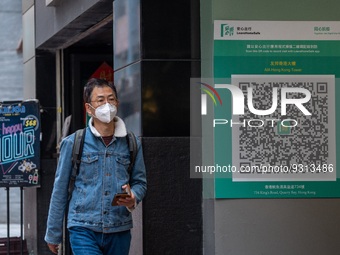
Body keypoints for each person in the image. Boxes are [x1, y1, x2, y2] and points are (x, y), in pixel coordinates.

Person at [45, 78, 147, 255]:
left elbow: (140, 182)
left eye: (111, 99)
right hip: (83, 228)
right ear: (88, 108)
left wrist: (134, 197)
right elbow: (60, 190)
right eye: (100, 100)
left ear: (117, 103)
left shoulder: (131, 143)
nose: (107, 104)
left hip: (119, 228)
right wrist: (53, 234)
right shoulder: (74, 142)